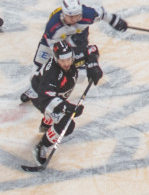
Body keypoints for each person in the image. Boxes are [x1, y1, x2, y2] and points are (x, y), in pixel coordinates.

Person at [21, 37, 102, 170]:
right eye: (62, 61)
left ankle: (47, 123)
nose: (67, 63)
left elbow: (92, 50)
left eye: (69, 59)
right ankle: (42, 146)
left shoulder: (72, 56)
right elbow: (46, 97)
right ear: (55, 58)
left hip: (57, 94)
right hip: (41, 97)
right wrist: (68, 108)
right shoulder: (52, 73)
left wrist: (94, 66)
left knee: (59, 114)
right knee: (67, 124)